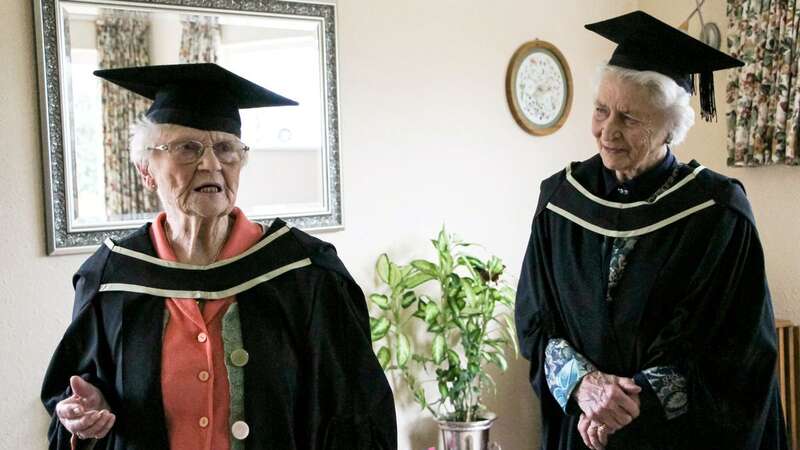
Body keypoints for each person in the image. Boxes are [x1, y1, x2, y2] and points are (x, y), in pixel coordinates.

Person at [41, 63, 397, 450]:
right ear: (146, 169)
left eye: (226, 149)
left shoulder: (305, 273)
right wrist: (84, 412)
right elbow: (77, 390)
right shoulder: (111, 277)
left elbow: (353, 411)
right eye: (187, 148)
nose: (211, 164)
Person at [514, 11, 787, 450]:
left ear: (669, 128)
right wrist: (584, 387)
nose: (608, 131)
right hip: (579, 430)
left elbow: (734, 349)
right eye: (602, 110)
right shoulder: (560, 204)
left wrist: (627, 404)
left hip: (675, 438)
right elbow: (536, 321)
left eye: (629, 118)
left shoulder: (716, 214)